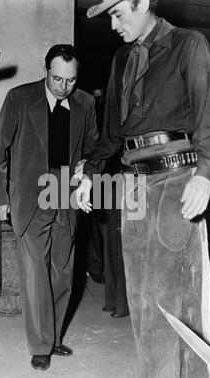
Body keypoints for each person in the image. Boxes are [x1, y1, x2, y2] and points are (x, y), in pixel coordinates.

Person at [76, 0, 210, 378]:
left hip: (176, 179)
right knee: (142, 300)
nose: (113, 25)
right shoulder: (123, 58)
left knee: (174, 299)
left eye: (117, 13)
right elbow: (112, 131)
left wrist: (206, 175)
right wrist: (90, 172)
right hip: (132, 185)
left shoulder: (188, 44)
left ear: (143, 3)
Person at [0, 44, 98, 371]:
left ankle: (54, 337)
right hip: (29, 194)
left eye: (71, 81)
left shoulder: (86, 103)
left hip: (67, 189)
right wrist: (0, 199)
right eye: (57, 79)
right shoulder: (20, 98)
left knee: (63, 268)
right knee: (36, 269)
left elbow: (94, 149)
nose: (64, 87)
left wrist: (87, 170)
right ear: (45, 70)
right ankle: (39, 344)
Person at [87, 89, 129, 317]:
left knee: (112, 241)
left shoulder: (103, 114)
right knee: (115, 242)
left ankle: (116, 301)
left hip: (114, 179)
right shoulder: (119, 116)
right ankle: (118, 302)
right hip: (119, 180)